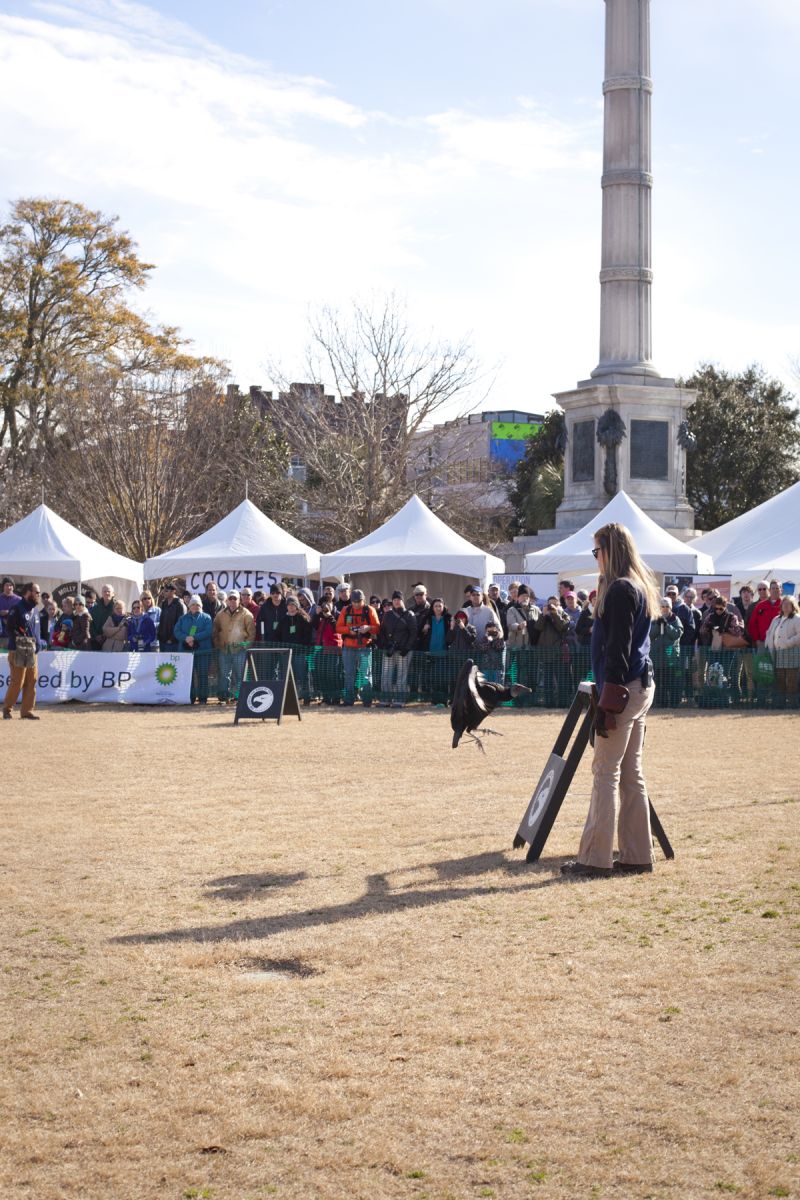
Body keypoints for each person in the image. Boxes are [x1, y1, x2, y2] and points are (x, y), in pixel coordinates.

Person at [561, 523, 660, 879]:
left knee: (605, 772)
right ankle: (636, 854)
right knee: (630, 773)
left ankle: (595, 858)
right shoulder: (636, 586)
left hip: (624, 688)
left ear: (610, 551)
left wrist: (609, 702)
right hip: (639, 685)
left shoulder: (620, 589)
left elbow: (617, 647)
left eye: (596, 551)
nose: (595, 558)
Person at [3, 582, 44, 720]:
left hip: (32, 652)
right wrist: (21, 638)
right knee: (17, 681)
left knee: (31, 681)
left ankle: (27, 711)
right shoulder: (17, 608)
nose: (38, 595)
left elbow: (37, 632)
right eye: (36, 592)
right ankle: (7, 709)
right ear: (28, 592)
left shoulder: (36, 611)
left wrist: (39, 644)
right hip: (18, 650)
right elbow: (10, 628)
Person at [336, 589, 380, 706]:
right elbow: (338, 628)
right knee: (349, 674)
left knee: (366, 674)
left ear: (363, 600)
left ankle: (367, 700)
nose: (356, 604)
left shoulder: (370, 610)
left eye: (358, 601)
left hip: (365, 647)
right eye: (354, 601)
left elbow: (377, 627)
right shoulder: (346, 610)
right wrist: (349, 630)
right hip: (348, 647)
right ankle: (349, 700)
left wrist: (368, 628)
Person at [213, 590, 255, 703]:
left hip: (240, 650)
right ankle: (223, 697)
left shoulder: (247, 614)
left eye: (234, 598)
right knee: (224, 674)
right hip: (224, 649)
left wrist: (245, 646)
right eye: (230, 598)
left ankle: (240, 696)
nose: (232, 601)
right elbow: (215, 631)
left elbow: (251, 634)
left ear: (239, 600)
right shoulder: (220, 614)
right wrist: (218, 644)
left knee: (240, 674)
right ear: (227, 600)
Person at [378, 590, 418, 706]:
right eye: (394, 600)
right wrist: (385, 645)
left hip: (404, 651)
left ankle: (400, 700)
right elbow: (382, 631)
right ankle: (385, 699)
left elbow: (413, 633)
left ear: (402, 600)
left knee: (401, 676)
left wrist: (407, 648)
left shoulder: (409, 614)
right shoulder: (388, 615)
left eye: (398, 599)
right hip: (390, 650)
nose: (396, 602)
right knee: (386, 674)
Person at [174, 595, 213, 703]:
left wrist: (194, 637)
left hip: (203, 651)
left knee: (202, 674)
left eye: (197, 604)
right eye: (193, 604)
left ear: (201, 606)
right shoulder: (183, 618)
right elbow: (176, 631)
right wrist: (186, 638)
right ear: (189, 606)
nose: (195, 606)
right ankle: (189, 697)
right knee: (188, 675)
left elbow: (208, 631)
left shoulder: (206, 617)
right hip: (186, 652)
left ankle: (203, 698)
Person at [765, 594, 800, 708]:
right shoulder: (776, 619)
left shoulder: (797, 619)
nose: (785, 606)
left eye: (788, 604)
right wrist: (768, 644)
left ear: (793, 606)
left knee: (791, 681)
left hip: (792, 653)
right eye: (783, 604)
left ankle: (792, 704)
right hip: (777, 653)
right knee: (779, 680)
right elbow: (769, 632)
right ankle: (780, 704)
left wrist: (788, 642)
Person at [534, 596, 570, 706]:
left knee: (561, 680)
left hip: (559, 653)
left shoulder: (564, 614)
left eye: (555, 604)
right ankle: (548, 703)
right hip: (546, 653)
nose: (552, 606)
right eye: (550, 604)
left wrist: (555, 613)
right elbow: (538, 627)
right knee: (547, 680)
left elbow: (562, 627)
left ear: (559, 605)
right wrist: (543, 615)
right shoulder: (543, 615)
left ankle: (563, 703)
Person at [278, 595, 314, 702]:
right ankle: (287, 698)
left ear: (297, 606)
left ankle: (306, 697)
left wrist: (303, 646)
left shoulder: (303, 618)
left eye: (293, 604)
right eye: (289, 605)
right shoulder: (283, 620)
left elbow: (308, 635)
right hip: (287, 652)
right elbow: (278, 635)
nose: (291, 607)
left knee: (302, 675)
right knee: (287, 676)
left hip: (300, 652)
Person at [650, 597, 683, 707]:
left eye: (667, 606)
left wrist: (667, 626)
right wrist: (658, 626)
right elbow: (649, 635)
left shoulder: (675, 619)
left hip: (670, 656)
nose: (664, 609)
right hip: (656, 656)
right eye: (662, 606)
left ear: (670, 607)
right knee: (658, 682)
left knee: (672, 681)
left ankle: (673, 703)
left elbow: (677, 634)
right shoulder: (654, 619)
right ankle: (659, 703)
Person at [313, 600, 343, 703]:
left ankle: (336, 697)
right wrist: (317, 615)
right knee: (323, 674)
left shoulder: (338, 614)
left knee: (333, 674)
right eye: (323, 605)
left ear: (332, 604)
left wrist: (330, 616)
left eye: (328, 604)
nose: (326, 607)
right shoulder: (321, 617)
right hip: (321, 649)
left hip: (333, 649)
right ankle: (326, 698)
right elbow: (313, 626)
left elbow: (338, 629)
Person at [157, 583, 186, 651]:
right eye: (163, 590)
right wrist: (160, 635)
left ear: (173, 591)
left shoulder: (179, 605)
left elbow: (180, 624)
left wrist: (172, 639)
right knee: (162, 661)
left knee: (170, 661)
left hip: (173, 642)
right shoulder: (164, 603)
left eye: (166, 590)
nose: (164, 592)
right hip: (162, 641)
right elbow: (162, 621)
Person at [89, 584, 115, 650]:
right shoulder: (95, 609)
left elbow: (120, 625)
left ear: (113, 594)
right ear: (101, 593)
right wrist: (96, 636)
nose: (106, 593)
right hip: (95, 643)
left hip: (112, 642)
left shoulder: (117, 607)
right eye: (104, 591)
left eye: (109, 591)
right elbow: (90, 623)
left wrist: (106, 635)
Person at [0, 577, 21, 645]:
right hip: (1, 633)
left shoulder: (19, 600)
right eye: (6, 585)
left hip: (14, 633)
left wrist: (10, 613)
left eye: (11, 585)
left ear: (13, 587)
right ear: (3, 586)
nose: (9, 587)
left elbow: (22, 614)